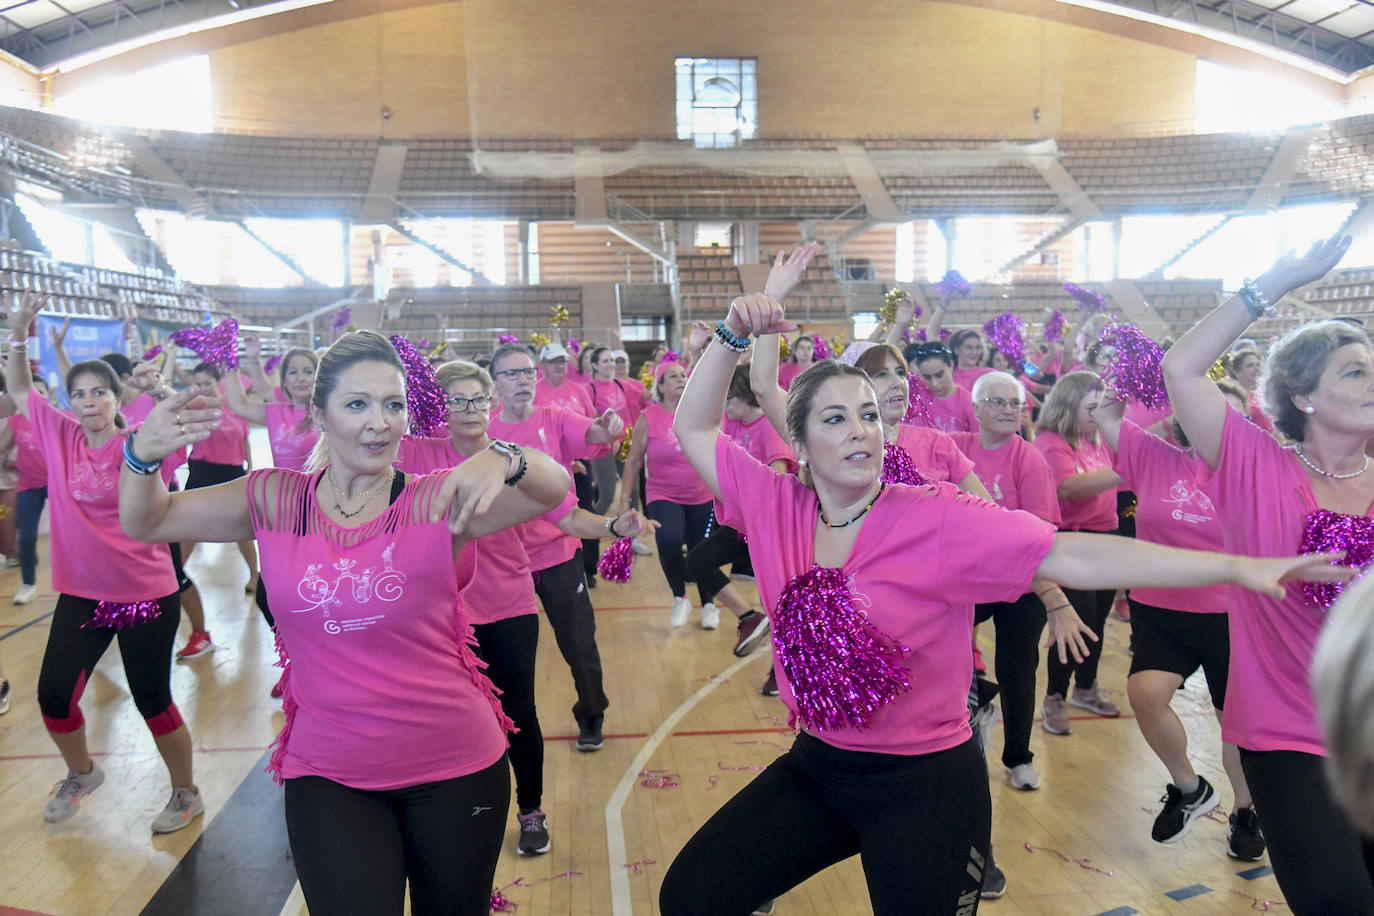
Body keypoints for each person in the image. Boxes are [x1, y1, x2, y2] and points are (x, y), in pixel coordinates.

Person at [659, 292, 1346, 916]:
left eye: (868, 415)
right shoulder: (774, 503)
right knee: (691, 896)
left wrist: (1238, 566)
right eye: (836, 419)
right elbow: (694, 427)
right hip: (819, 767)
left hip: (926, 785)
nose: (861, 430)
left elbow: (1073, 553)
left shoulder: (935, 516)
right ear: (800, 442)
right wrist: (730, 334)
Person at [118, 330, 571, 915]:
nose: (378, 423)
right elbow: (148, 521)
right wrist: (142, 454)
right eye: (357, 404)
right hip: (329, 772)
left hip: (456, 765)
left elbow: (553, 490)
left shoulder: (436, 499)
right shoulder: (274, 499)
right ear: (320, 413)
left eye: (393, 404)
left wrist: (506, 455)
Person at [1162, 233, 1374, 914]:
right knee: (1340, 901)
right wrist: (1272, 283)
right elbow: (1183, 369)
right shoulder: (1255, 465)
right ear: (1303, 396)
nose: (1372, 381)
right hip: (1288, 735)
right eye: (1353, 372)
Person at [398, 358, 653, 858]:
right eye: (457, 400)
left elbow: (567, 516)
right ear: (437, 407)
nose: (470, 409)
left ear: (491, 406)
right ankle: (462, 811)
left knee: (517, 713)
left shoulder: (516, 461)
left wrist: (612, 528)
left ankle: (531, 810)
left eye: (477, 399)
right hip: (441, 613)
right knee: (456, 718)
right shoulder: (418, 454)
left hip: (508, 602)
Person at [6, 293, 203, 834]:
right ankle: (81, 773)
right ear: (69, 402)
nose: (88, 401)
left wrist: (161, 388)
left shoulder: (140, 443)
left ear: (118, 399)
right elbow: (21, 388)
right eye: (79, 394)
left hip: (145, 594)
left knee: (153, 699)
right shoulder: (60, 434)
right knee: (52, 696)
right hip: (85, 595)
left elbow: (185, 421)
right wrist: (18, 333)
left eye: (99, 393)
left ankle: (186, 792)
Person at [1093, 383, 1265, 859]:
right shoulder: (1154, 456)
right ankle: (1189, 788)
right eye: (1201, 410)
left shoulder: (1256, 472)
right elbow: (1106, 415)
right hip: (1160, 608)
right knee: (1145, 694)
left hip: (1232, 615)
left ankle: (1246, 811)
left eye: (1225, 415)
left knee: (1236, 723)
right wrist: (1127, 371)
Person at [487, 343, 625, 750]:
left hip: (559, 553)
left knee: (579, 644)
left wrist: (609, 426)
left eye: (527, 372)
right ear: (495, 383)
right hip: (504, 562)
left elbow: (595, 433)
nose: (523, 380)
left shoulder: (555, 417)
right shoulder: (484, 433)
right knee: (504, 653)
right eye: (512, 373)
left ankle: (592, 713)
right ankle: (499, 723)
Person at [948, 372, 1070, 792]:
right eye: (996, 402)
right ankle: (968, 713)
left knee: (1019, 667)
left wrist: (1053, 596)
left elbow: (1038, 536)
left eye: (1013, 403)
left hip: (1022, 581)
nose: (1006, 410)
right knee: (941, 645)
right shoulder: (956, 448)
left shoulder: (1029, 458)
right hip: (970, 578)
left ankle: (1019, 756)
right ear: (976, 408)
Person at [1034, 371, 1124, 735]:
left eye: (1102, 407)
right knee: (1077, 625)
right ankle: (1054, 695)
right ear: (1068, 406)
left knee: (1099, 622)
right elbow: (1068, 488)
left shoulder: (1096, 439)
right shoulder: (1052, 442)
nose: (1098, 414)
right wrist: (1124, 471)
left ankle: (1085, 688)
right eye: (1091, 408)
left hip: (1105, 539)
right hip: (1072, 542)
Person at [616, 358, 714, 627]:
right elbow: (634, 460)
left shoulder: (699, 412)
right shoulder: (649, 418)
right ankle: (679, 596)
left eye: (683, 374)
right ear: (660, 385)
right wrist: (624, 499)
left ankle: (708, 604)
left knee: (701, 551)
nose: (681, 379)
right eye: (673, 376)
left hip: (701, 493)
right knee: (669, 541)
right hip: (663, 494)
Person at [174, 362, 259, 661]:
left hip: (233, 472)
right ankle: (173, 576)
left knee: (242, 531)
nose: (202, 389)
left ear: (219, 382)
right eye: (197, 384)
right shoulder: (194, 411)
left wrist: (249, 464)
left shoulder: (236, 409)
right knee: (188, 529)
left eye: (207, 383)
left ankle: (253, 575)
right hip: (201, 473)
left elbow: (245, 439)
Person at [226, 335, 320, 471]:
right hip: (285, 490)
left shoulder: (327, 413)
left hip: (319, 490)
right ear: (284, 381)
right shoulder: (276, 412)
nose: (300, 378)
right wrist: (230, 362)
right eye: (293, 372)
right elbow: (239, 404)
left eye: (308, 372)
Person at [0, 375, 45, 604]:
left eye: (41, 393)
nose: (37, 399)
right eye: (31, 395)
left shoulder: (61, 419)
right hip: (29, 485)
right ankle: (28, 584)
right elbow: (1, 449)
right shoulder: (16, 421)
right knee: (27, 535)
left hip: (58, 484)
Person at [908, 341, 977, 433]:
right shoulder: (919, 397)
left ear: (951, 366)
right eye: (927, 377)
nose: (934, 383)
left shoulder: (968, 403)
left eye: (939, 375)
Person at [1226, 347, 1277, 435]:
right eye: (1250, 365)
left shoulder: (1262, 395)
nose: (1256, 368)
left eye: (1258, 365)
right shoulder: (1233, 398)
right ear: (1236, 372)